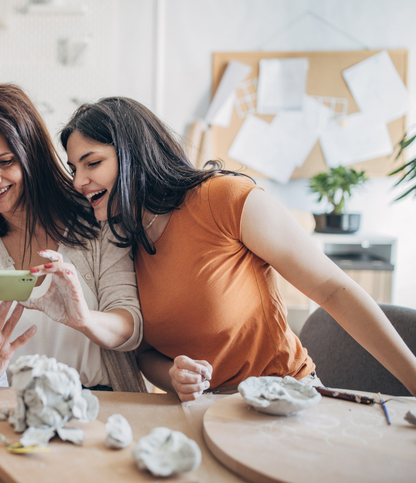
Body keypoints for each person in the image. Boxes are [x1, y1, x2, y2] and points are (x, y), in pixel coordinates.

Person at [59, 96, 416, 401]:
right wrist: (176, 378)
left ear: (134, 153)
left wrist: (413, 378)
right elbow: (145, 352)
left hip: (284, 397)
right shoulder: (122, 238)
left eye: (93, 163)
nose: (78, 181)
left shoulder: (223, 199)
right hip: (206, 414)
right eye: (74, 168)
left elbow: (333, 289)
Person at [0, 84, 146, 392]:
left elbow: (130, 325)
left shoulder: (99, 220)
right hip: (7, 409)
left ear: (33, 154)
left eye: (5, 162)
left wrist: (83, 318)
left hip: (102, 407)